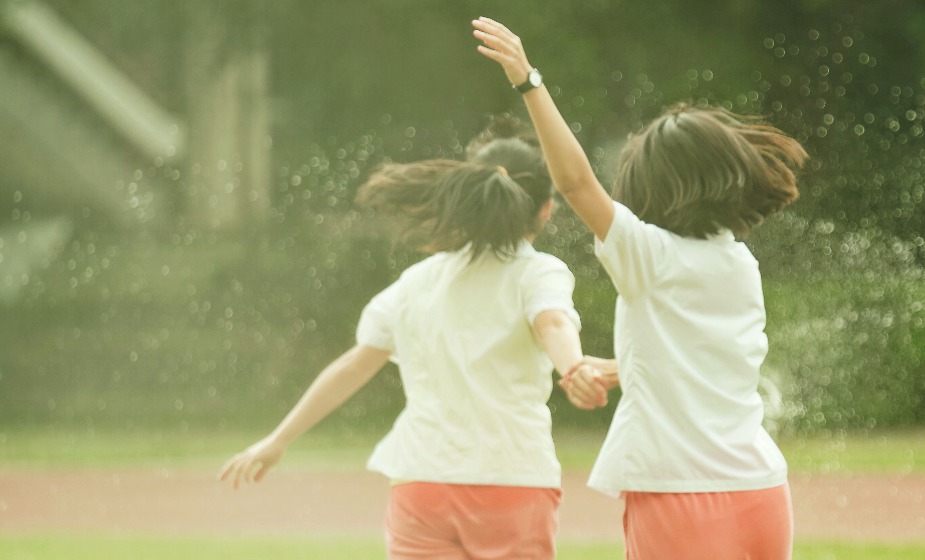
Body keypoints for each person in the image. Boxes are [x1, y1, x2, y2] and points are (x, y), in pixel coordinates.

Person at [472, 17, 808, 560]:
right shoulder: (739, 262)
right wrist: (617, 368)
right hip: (762, 492)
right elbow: (695, 360)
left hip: (681, 497)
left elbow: (576, 183)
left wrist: (529, 81)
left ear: (655, 185)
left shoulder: (648, 256)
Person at [218, 120, 610, 560]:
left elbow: (353, 366)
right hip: (509, 480)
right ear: (546, 210)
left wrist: (279, 439)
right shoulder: (537, 272)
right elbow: (553, 324)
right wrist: (573, 367)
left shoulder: (416, 282)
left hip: (421, 483)